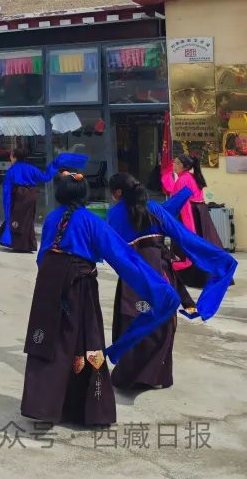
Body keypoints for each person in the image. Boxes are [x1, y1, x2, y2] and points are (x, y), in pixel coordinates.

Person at [20, 172, 179, 426]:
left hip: (48, 284)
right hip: (78, 284)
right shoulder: (91, 221)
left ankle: (40, 406)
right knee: (84, 338)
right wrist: (159, 288)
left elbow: (43, 256)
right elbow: (121, 256)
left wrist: (50, 281)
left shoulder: (52, 218)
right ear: (84, 194)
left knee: (49, 340)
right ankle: (86, 410)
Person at [105, 172, 237, 391]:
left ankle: (128, 375)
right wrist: (219, 259)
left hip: (133, 276)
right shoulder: (154, 209)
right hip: (159, 271)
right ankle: (156, 375)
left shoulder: (114, 214)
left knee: (131, 318)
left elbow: (111, 248)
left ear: (118, 193)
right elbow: (184, 236)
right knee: (164, 321)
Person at [0, 148, 86, 253]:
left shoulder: (12, 170)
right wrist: (55, 165)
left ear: (14, 157)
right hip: (31, 195)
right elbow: (45, 177)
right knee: (28, 219)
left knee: (16, 219)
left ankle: (19, 244)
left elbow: (7, 188)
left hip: (19, 196)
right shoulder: (31, 168)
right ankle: (27, 244)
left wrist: (7, 203)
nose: (10, 158)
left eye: (11, 155)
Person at [161, 153, 223, 287]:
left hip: (189, 213)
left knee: (186, 244)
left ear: (185, 167)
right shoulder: (191, 176)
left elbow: (180, 201)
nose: (174, 165)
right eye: (174, 162)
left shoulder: (183, 180)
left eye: (177, 163)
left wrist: (188, 227)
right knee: (204, 243)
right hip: (200, 213)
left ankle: (188, 277)